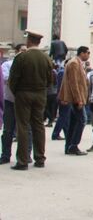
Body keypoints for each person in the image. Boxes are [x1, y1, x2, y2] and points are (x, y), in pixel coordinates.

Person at [9, 30, 54, 170]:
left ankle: (22, 161)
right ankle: (40, 158)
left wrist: (16, 92)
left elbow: (13, 79)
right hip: (40, 94)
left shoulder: (21, 57)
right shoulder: (46, 58)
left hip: (23, 93)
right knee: (38, 125)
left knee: (23, 126)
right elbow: (50, 79)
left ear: (29, 41)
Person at [59, 46, 91, 156]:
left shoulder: (78, 63)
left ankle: (69, 146)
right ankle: (73, 145)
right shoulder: (74, 63)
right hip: (76, 99)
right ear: (82, 53)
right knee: (82, 120)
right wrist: (79, 99)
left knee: (73, 122)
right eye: (87, 53)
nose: (88, 55)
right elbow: (74, 83)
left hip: (78, 98)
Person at [0, 44, 27, 164]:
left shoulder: (29, 65)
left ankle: (24, 156)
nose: (24, 53)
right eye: (22, 50)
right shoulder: (7, 65)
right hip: (10, 100)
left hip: (23, 101)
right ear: (16, 52)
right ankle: (5, 155)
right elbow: (6, 79)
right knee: (8, 130)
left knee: (25, 130)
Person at [52, 61, 68, 141]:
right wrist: (63, 97)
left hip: (65, 97)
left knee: (64, 116)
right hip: (63, 97)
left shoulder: (64, 72)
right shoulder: (63, 73)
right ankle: (56, 133)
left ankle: (66, 132)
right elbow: (62, 86)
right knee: (63, 116)